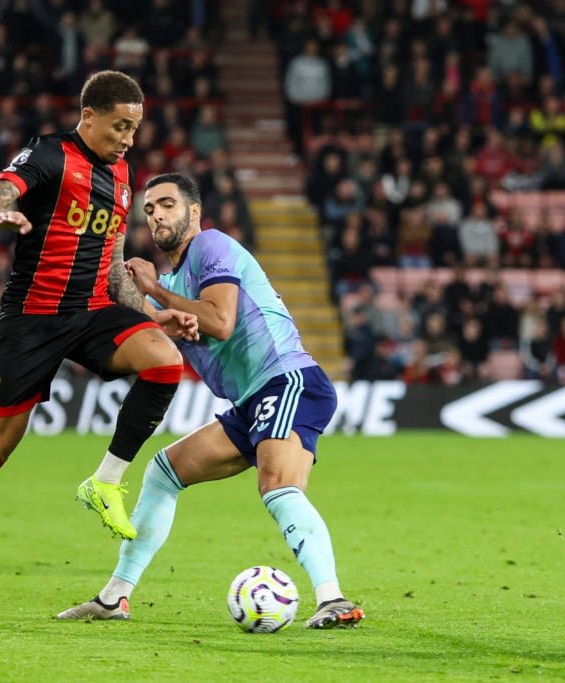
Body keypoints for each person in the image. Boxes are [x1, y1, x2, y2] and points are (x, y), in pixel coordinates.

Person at [0, 71, 198, 593]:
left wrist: (150, 314)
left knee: (165, 361)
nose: (127, 138)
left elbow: (113, 264)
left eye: (134, 129)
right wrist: (0, 215)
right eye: (120, 126)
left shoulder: (122, 177)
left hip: (93, 310)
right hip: (32, 320)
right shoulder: (49, 156)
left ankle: (105, 482)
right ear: (88, 117)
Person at [57, 174, 365, 629]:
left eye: (166, 204)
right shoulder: (178, 279)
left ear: (193, 212)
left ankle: (333, 599)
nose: (156, 215)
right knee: (164, 473)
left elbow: (220, 322)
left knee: (278, 485)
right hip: (251, 399)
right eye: (149, 209)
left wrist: (154, 289)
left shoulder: (211, 247)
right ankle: (114, 597)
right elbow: (165, 328)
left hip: (287, 379)